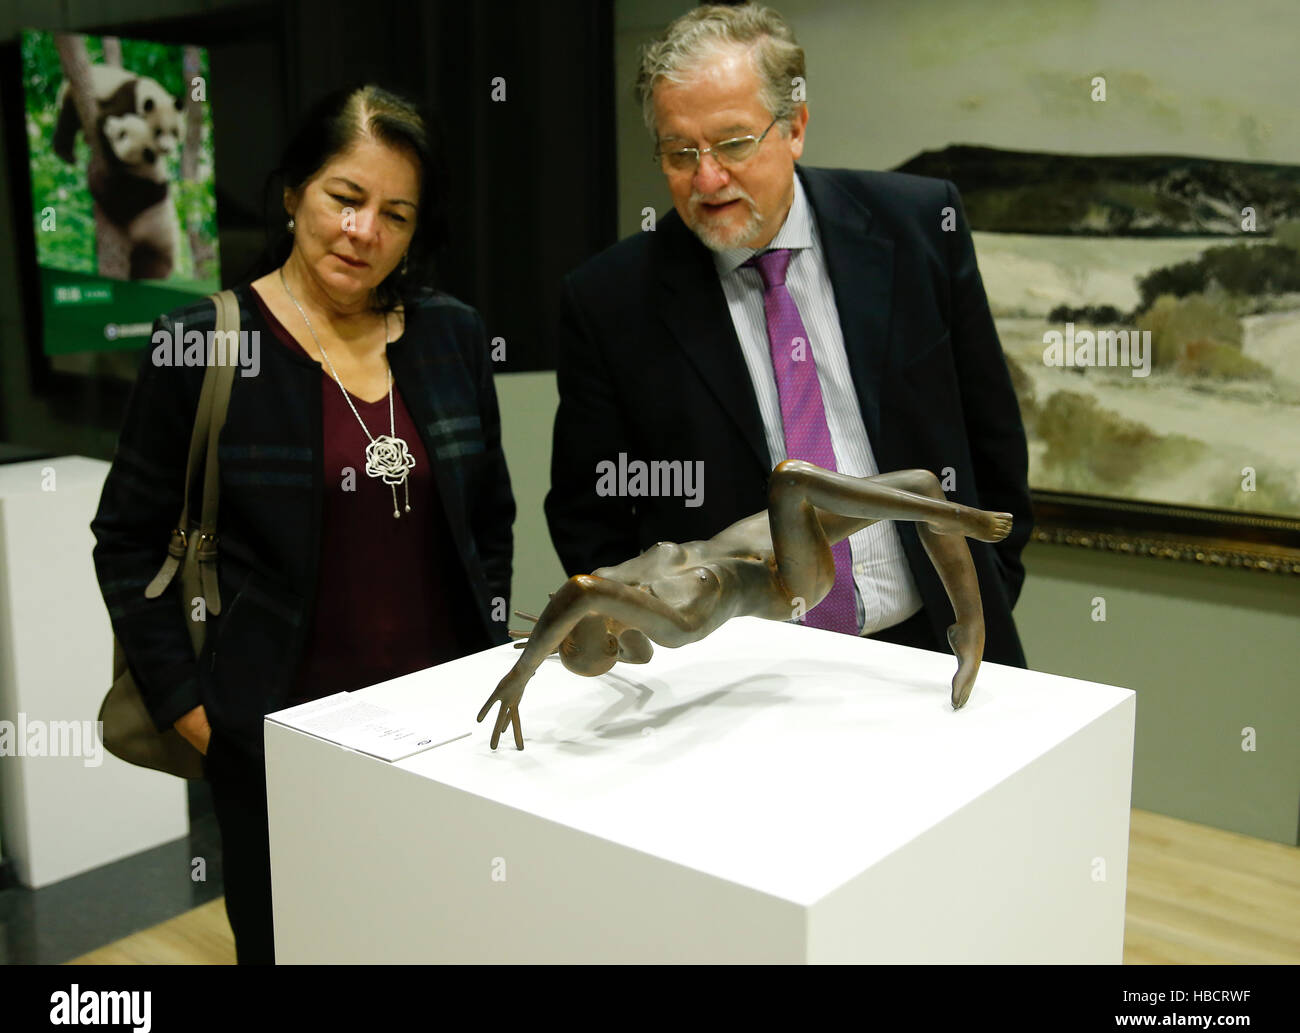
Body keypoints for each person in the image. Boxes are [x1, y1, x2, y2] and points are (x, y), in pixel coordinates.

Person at [90, 84, 514, 963]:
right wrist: (193, 709)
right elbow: (127, 536)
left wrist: (489, 652)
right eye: (344, 199)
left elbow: (489, 519)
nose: (365, 232)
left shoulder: (451, 336)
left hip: (446, 740)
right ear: (293, 195)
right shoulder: (202, 344)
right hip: (279, 745)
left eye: (395, 214)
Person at [544, 3, 1032, 667]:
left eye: (734, 143)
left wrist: (991, 581)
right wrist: (655, 649)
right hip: (730, 677)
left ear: (795, 126)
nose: (707, 178)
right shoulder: (609, 299)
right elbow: (591, 508)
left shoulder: (917, 228)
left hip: (927, 646)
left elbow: (992, 432)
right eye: (680, 152)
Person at [485, 461, 1012, 749]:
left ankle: (969, 628)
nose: (574, 620)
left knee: (921, 484)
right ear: (608, 637)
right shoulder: (674, 624)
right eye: (593, 637)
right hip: (789, 582)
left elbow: (585, 601)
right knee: (790, 481)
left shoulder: (616, 587)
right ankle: (962, 518)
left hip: (751, 540)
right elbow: (582, 591)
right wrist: (521, 673)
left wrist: (549, 640)